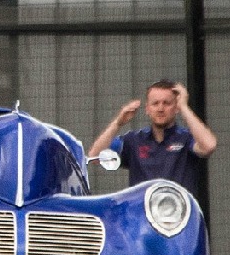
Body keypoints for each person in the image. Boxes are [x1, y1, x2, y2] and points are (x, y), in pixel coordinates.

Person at [88, 79, 217, 195]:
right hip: (141, 212)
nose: (160, 108)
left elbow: (209, 146)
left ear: (176, 108)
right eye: (155, 103)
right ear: (147, 109)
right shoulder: (134, 140)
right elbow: (95, 157)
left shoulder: (186, 138)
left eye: (167, 103)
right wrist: (118, 123)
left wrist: (184, 107)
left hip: (179, 211)